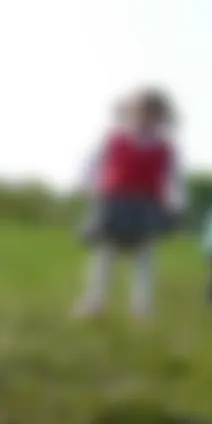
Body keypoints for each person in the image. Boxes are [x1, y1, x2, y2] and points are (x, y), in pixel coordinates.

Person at [73, 88, 184, 319]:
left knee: (144, 258)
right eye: (139, 112)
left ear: (162, 118)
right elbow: (92, 161)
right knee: (105, 255)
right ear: (128, 113)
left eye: (152, 114)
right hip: (114, 201)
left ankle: (142, 306)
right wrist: (85, 183)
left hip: (147, 206)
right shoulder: (114, 138)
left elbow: (175, 177)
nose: (145, 118)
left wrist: (177, 202)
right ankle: (95, 301)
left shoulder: (166, 148)